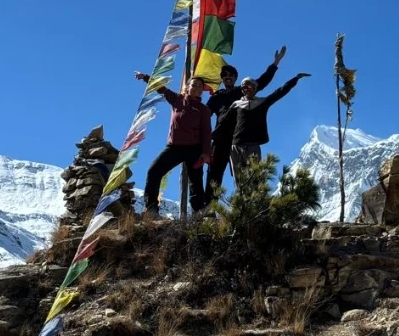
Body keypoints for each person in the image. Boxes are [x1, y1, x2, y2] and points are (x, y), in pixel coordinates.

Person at [205, 46, 286, 205]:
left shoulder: (242, 91)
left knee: (248, 176)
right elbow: (204, 116)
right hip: (221, 141)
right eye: (224, 75)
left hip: (240, 140)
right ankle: (209, 210)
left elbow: (262, 82)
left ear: (235, 78)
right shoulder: (216, 97)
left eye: (231, 75)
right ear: (222, 79)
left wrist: (275, 63)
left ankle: (252, 207)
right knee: (214, 175)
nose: (227, 77)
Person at [132, 72, 212, 216]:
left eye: (200, 86)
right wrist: (145, 78)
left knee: (196, 183)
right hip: (174, 147)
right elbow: (161, 88)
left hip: (194, 149)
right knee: (154, 171)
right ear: (187, 87)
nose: (197, 88)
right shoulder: (177, 99)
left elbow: (207, 131)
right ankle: (151, 209)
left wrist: (206, 153)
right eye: (194, 85)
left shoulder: (203, 109)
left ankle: (199, 214)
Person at [226, 71, 312, 186]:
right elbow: (224, 124)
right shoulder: (236, 104)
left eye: (249, 85)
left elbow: (279, 92)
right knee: (239, 181)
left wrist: (295, 79)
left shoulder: (262, 102)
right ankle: (241, 203)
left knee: (254, 180)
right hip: (235, 146)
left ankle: (255, 203)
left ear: (255, 87)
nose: (246, 89)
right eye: (243, 87)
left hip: (252, 146)